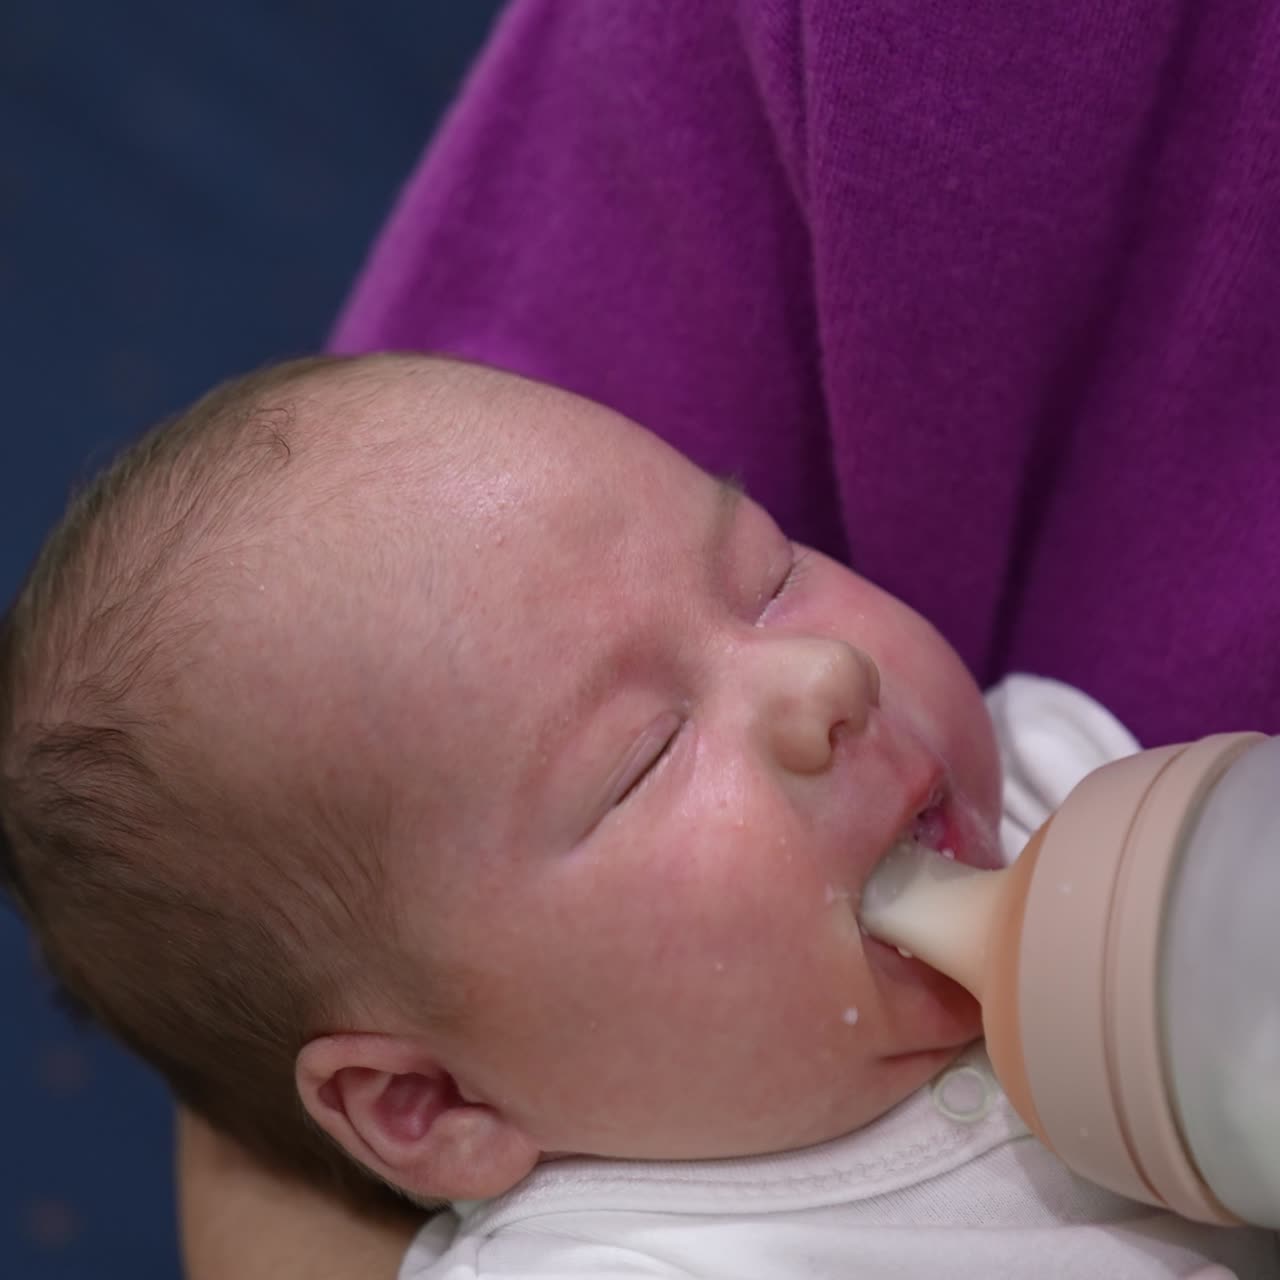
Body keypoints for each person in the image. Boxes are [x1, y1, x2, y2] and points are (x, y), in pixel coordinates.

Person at [2, 353, 1272, 1277]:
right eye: (644, 755)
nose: (822, 679)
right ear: (433, 1105)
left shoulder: (1065, 789)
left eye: (767, 574)